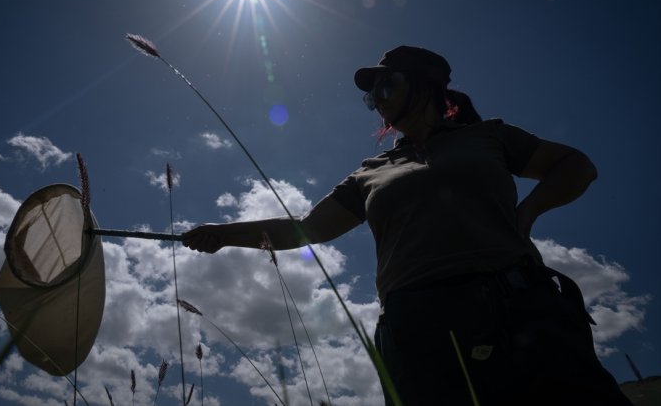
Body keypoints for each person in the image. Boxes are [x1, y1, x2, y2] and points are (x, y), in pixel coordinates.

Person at [182, 46, 632, 405]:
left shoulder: (488, 136)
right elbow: (305, 229)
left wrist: (527, 213)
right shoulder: (369, 171)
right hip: (417, 323)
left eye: (386, 84)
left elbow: (576, 166)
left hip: (517, 304)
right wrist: (223, 234)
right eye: (371, 92)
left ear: (426, 85)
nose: (376, 97)